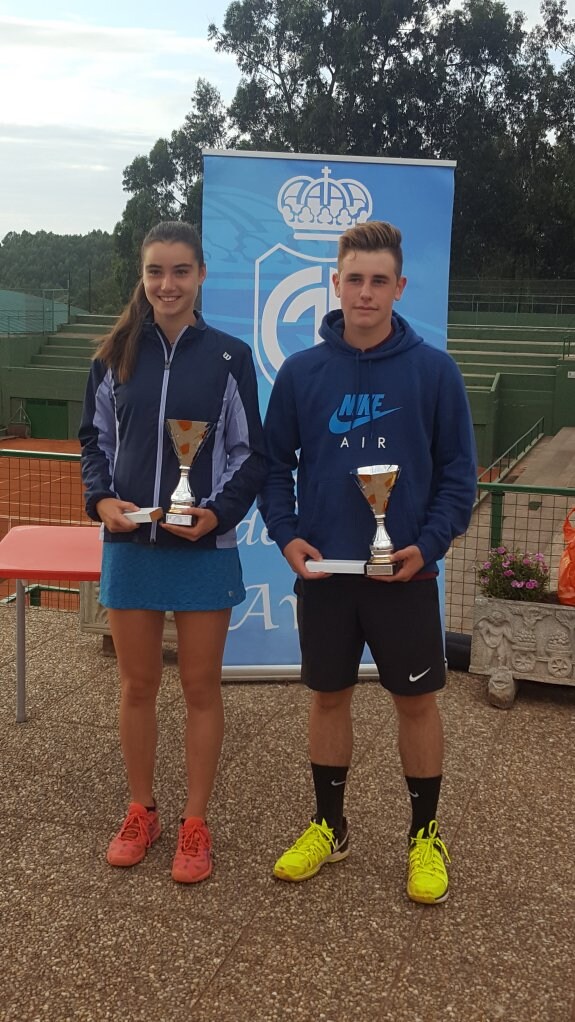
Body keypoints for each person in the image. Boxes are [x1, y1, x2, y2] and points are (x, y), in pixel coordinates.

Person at [258, 220, 477, 904]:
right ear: (336, 284)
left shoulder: (434, 371)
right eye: (354, 279)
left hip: (402, 573)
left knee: (415, 702)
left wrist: (430, 544)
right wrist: (287, 536)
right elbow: (272, 469)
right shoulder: (300, 374)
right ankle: (330, 826)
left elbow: (458, 477)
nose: (365, 292)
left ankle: (423, 834)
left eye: (378, 280)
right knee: (328, 697)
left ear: (399, 287)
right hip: (326, 575)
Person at [79, 220, 266, 883]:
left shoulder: (228, 357)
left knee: (199, 688)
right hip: (130, 543)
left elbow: (251, 455)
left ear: (201, 275)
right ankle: (141, 809)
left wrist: (216, 512)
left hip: (203, 546)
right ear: (143, 275)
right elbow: (93, 443)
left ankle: (194, 822)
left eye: (180, 271)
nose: (166, 284)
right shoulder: (112, 356)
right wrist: (102, 502)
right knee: (135, 685)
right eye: (155, 271)